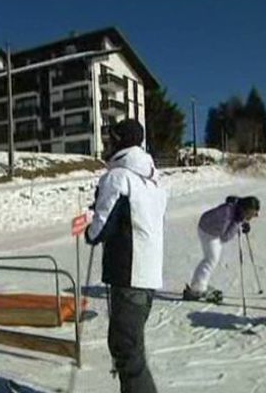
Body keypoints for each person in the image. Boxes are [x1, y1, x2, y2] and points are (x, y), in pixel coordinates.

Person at [85, 119, 167, 393]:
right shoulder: (153, 180)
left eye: (111, 138)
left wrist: (90, 225)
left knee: (126, 351)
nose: (108, 143)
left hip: (127, 274)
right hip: (148, 274)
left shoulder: (118, 177)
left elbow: (100, 230)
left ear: (119, 141)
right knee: (130, 347)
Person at [184, 195, 260, 302]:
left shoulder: (238, 208)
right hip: (208, 230)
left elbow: (237, 209)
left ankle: (199, 283)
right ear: (245, 210)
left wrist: (243, 221)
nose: (252, 217)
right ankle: (197, 289)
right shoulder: (227, 215)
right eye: (251, 214)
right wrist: (239, 222)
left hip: (211, 226)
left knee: (211, 259)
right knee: (210, 259)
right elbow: (225, 237)